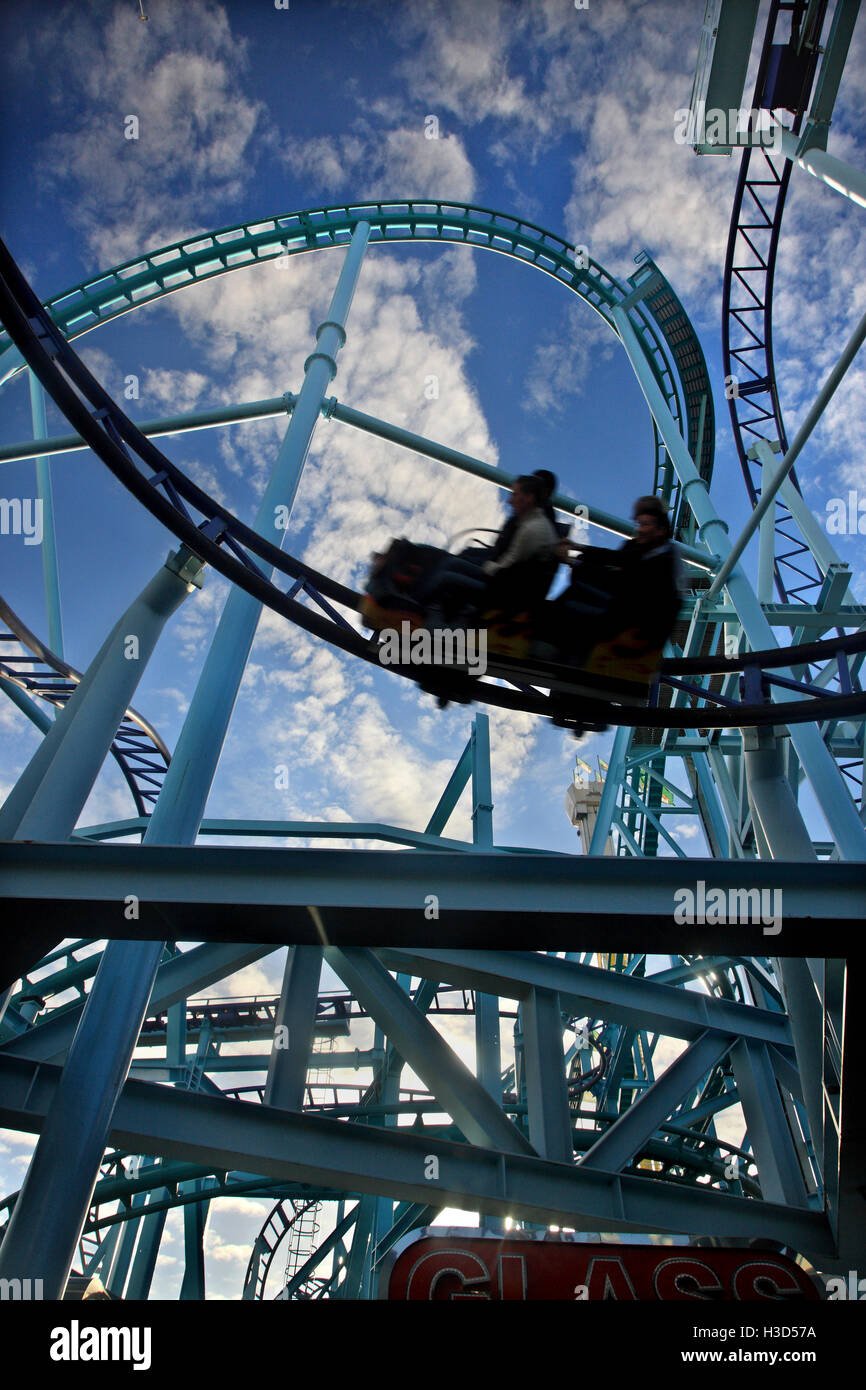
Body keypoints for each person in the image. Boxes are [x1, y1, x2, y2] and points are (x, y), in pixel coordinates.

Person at [544, 494, 682, 662]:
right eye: (638, 523)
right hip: (623, 605)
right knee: (578, 583)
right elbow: (617, 558)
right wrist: (577, 549)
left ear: (660, 529)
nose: (639, 529)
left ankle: (563, 652)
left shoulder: (663, 562)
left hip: (631, 619)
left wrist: (571, 562)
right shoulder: (646, 548)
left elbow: (622, 579)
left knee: (572, 601)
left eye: (644, 524)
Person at [422, 474, 559, 620]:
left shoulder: (532, 529)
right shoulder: (530, 521)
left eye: (515, 495)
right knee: (450, 562)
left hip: (505, 592)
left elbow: (507, 563)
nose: (510, 501)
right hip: (505, 580)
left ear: (529, 498)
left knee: (446, 575)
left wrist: (489, 566)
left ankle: (413, 607)